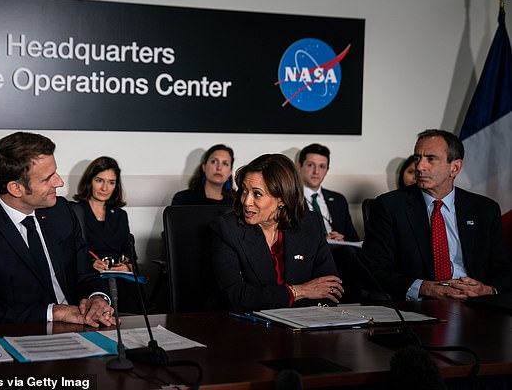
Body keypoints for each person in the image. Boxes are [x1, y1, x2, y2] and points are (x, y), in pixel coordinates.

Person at [0, 132, 115, 326]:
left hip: (79, 326)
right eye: (48, 179)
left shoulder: (61, 211)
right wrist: (56, 312)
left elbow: (85, 273)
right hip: (19, 333)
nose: (59, 182)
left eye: (56, 172)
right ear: (16, 188)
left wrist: (98, 297)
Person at [363, 129, 512, 301]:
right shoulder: (390, 206)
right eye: (417, 158)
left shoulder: (485, 209)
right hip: (422, 305)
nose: (419, 167)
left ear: (454, 168)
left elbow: (504, 269)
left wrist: (487, 290)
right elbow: (374, 270)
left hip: (475, 303)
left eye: (430, 159)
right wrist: (425, 288)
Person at [210, 153, 342, 312]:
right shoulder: (227, 228)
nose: (246, 201)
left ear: (283, 199)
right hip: (248, 328)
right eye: (244, 191)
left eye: (257, 194)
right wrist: (299, 291)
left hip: (304, 324)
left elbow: (330, 290)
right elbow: (238, 298)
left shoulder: (310, 225)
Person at [72, 156, 142, 313]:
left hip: (120, 280)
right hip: (91, 279)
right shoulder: (74, 211)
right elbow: (69, 254)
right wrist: (90, 265)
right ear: (89, 181)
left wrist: (128, 266)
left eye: (111, 182)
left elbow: (129, 252)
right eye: (99, 180)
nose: (105, 188)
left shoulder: (119, 215)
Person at [296, 143, 359, 242]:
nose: (316, 171)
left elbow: (354, 239)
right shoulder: (291, 199)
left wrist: (342, 239)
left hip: (339, 254)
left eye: (322, 166)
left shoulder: (339, 200)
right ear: (299, 167)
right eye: (310, 165)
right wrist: (321, 241)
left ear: (327, 170)